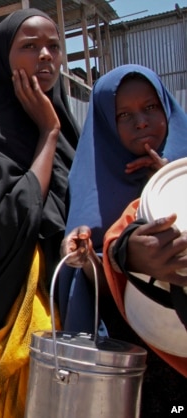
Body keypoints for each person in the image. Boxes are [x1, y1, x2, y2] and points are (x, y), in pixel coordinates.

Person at [0, 9, 80, 417]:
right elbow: (14, 216)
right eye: (29, 47)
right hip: (23, 292)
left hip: (75, 282)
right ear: (3, 59)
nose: (45, 56)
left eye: (53, 46)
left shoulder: (69, 122)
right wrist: (47, 134)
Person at [62, 64, 187, 414]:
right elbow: (96, 291)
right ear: (105, 123)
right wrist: (102, 257)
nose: (141, 122)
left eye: (150, 108)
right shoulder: (92, 191)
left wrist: (172, 184)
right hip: (133, 358)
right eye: (124, 115)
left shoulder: (183, 174)